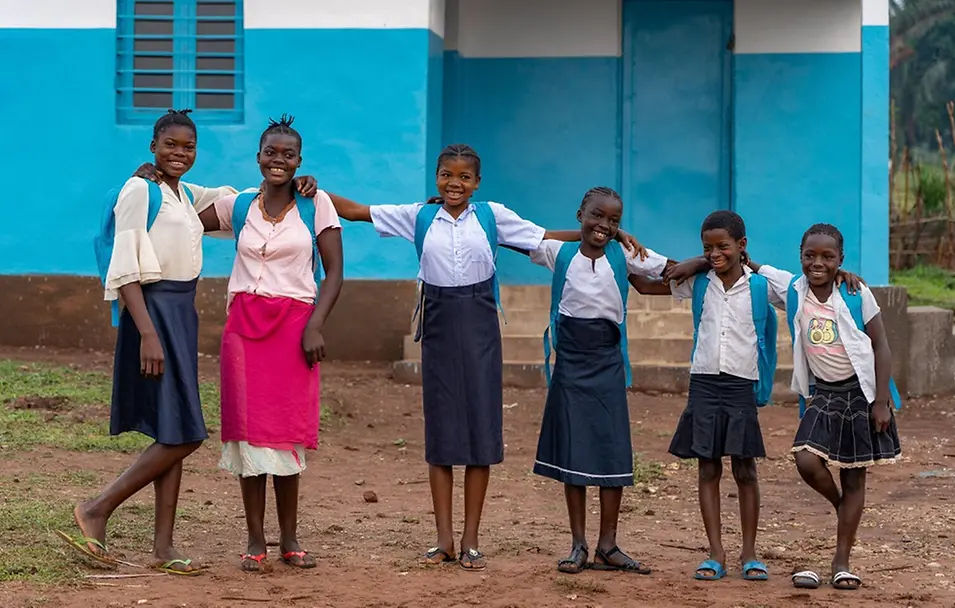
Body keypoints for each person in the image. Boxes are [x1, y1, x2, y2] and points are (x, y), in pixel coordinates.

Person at [325, 144, 645, 571]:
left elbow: (544, 236)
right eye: (446, 175)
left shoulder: (492, 216)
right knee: (441, 435)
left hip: (480, 328)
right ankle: (443, 541)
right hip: (438, 329)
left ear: (477, 183)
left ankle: (471, 539)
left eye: (464, 177)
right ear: (436, 177)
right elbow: (356, 211)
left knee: (480, 432)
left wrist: (607, 235)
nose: (454, 184)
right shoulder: (419, 216)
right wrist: (309, 189)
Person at [629, 211, 862, 583]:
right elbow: (646, 284)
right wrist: (618, 248)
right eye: (707, 248)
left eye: (722, 247)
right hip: (704, 383)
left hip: (741, 386)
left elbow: (807, 286)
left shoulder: (762, 286)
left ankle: (750, 554)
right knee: (707, 468)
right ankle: (715, 554)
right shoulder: (699, 282)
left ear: (742, 246)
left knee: (745, 470)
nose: (715, 254)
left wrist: (844, 277)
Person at [61, 109, 239, 575]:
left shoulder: (183, 193)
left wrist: (297, 186)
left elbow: (231, 201)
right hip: (154, 312)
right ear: (152, 147)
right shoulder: (139, 190)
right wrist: (146, 335)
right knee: (187, 434)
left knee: (172, 427)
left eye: (189, 147)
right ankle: (97, 508)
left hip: (182, 311)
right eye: (171, 145)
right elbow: (125, 265)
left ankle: (163, 547)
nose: (180, 153)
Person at [189, 115, 344, 572]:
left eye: (288, 155)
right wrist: (154, 179)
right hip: (244, 328)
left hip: (294, 326)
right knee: (249, 437)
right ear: (258, 157)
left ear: (299, 161)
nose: (279, 160)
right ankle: (255, 538)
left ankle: (290, 539)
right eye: (271, 153)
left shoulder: (318, 206)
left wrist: (315, 326)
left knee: (286, 434)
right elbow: (181, 219)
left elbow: (334, 272)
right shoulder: (237, 206)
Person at [746, 223, 901, 591]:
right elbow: (750, 264)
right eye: (810, 256)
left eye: (828, 257)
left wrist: (881, 401)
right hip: (823, 395)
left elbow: (881, 346)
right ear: (800, 257)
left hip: (861, 394)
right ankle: (841, 505)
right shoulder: (793, 290)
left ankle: (841, 561)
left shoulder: (855, 291)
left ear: (841, 260)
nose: (818, 263)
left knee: (854, 474)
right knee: (806, 459)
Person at [526, 186, 670, 575]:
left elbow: (668, 269)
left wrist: (719, 261)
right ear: (580, 214)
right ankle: (579, 545)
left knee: (610, 448)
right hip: (570, 363)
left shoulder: (624, 256)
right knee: (572, 452)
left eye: (614, 221)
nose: (604, 225)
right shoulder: (560, 253)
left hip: (607, 361)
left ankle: (608, 544)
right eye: (596, 216)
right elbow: (516, 236)